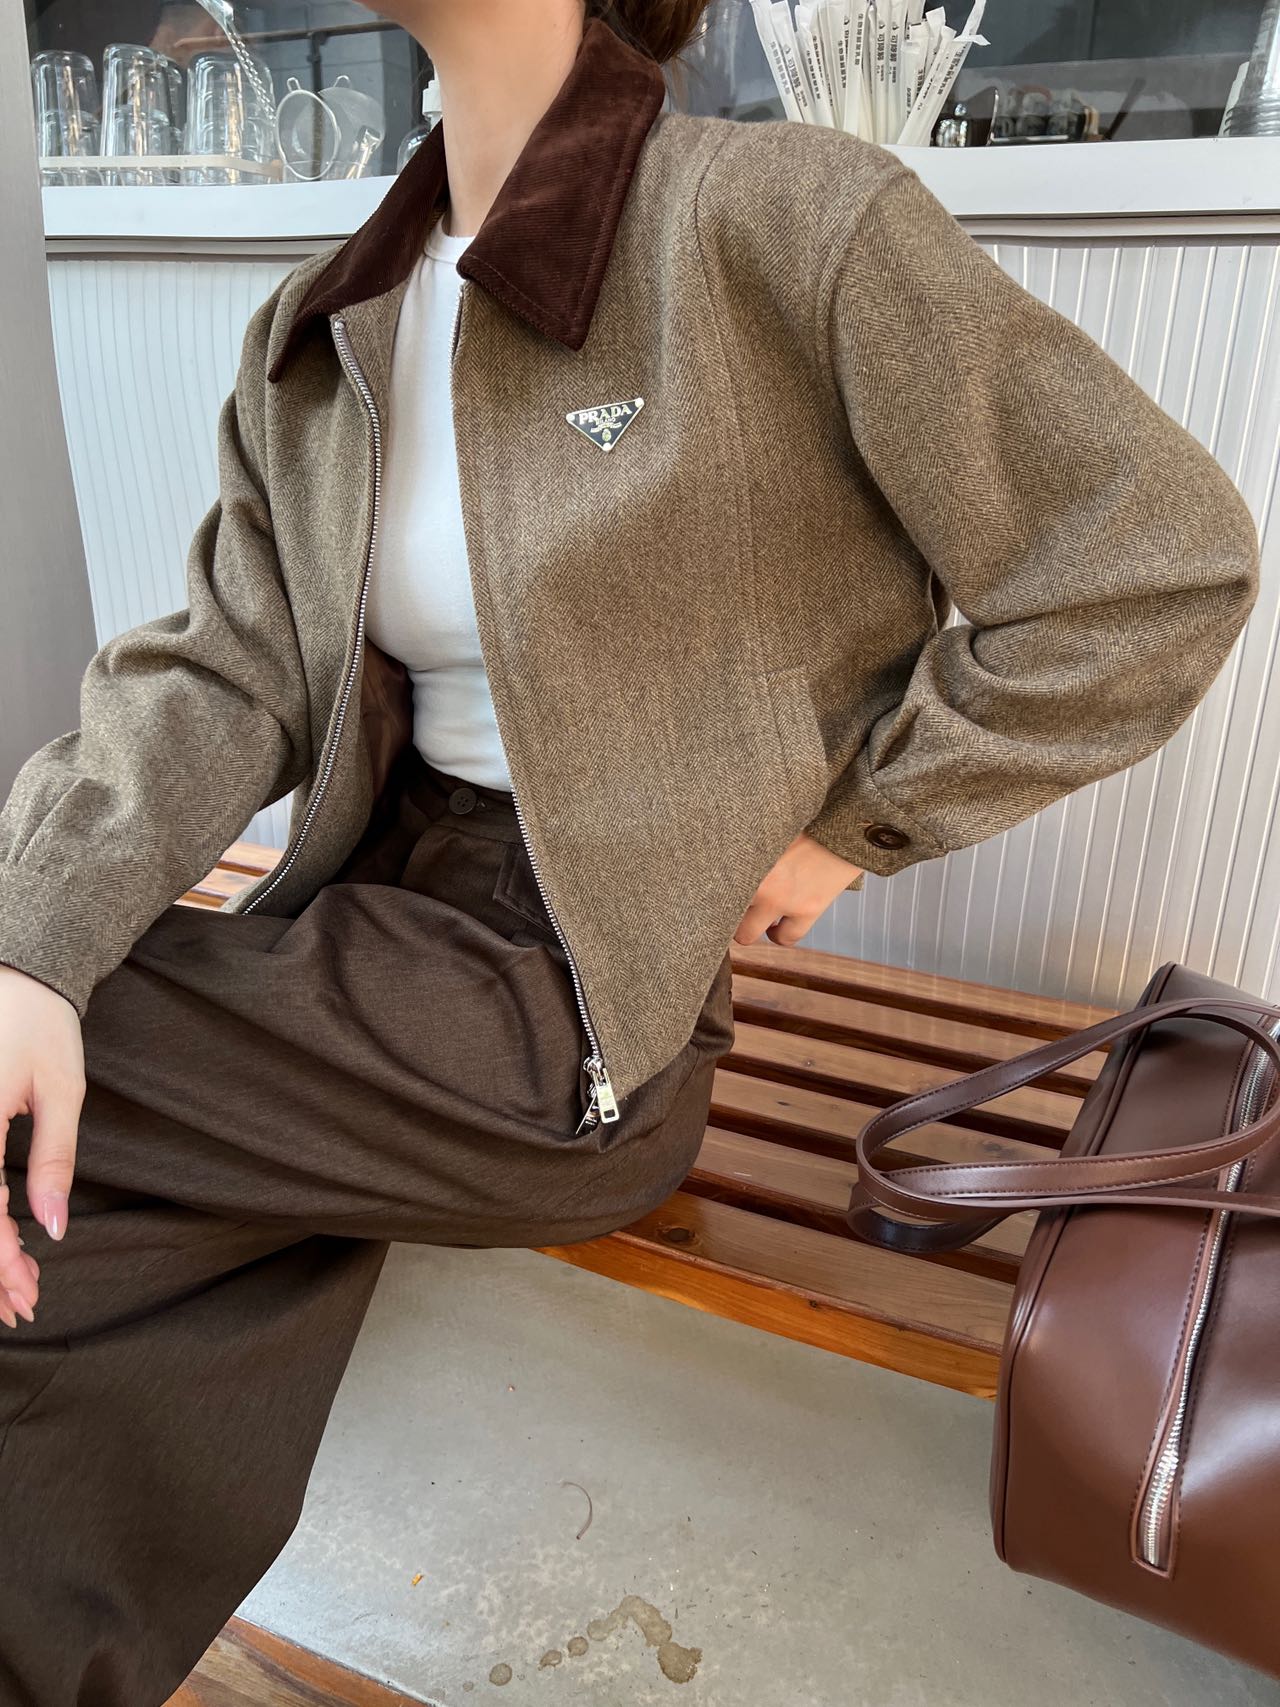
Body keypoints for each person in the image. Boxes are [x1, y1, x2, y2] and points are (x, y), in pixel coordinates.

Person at [0, 0, 1262, 1698]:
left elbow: (1150, 560)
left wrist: (856, 827)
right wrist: (33, 937)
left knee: (67, 1096)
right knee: (56, 1220)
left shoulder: (782, 227)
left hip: (579, 1007)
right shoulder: (329, 320)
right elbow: (224, 671)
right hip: (374, 935)